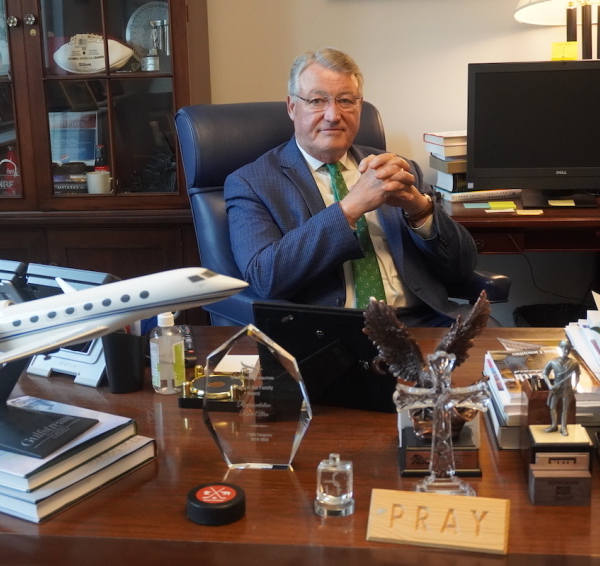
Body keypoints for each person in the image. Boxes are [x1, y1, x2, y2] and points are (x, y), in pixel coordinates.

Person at [225, 48, 479, 327]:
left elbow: (462, 268)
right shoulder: (252, 183)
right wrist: (350, 208)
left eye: (345, 100)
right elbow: (265, 278)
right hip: (333, 332)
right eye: (317, 101)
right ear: (292, 107)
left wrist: (420, 210)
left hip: (422, 322)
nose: (333, 115)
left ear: (359, 107)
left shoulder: (396, 168)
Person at [542, 339, 580, 436]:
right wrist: (549, 385)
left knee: (565, 409)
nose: (566, 351)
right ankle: (554, 425)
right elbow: (545, 373)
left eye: (568, 349)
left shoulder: (574, 362)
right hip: (556, 388)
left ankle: (563, 427)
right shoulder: (553, 362)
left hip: (567, 389)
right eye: (564, 348)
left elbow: (577, 374)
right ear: (561, 348)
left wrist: (575, 386)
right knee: (552, 407)